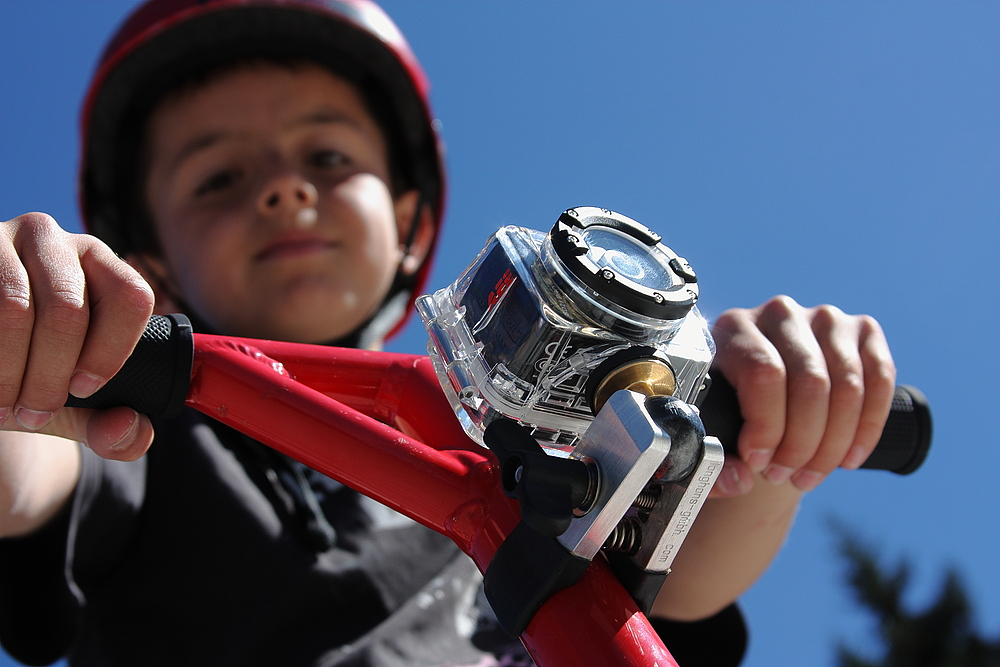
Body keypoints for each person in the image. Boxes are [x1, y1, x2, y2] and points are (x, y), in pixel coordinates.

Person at [0, 1, 896, 665]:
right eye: (218, 177)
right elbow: (26, 462)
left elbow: (678, 580)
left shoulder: (524, 424)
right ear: (149, 267)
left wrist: (771, 421)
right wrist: (26, 344)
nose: (283, 189)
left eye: (327, 157)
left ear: (406, 220)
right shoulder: (136, 429)